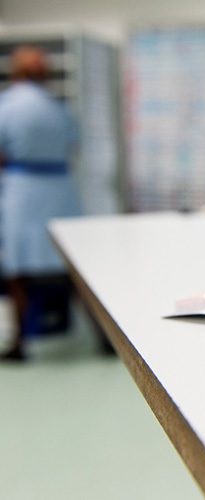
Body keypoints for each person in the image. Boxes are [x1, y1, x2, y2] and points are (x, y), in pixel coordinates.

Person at [0, 46, 82, 361]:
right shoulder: (58, 108)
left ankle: (19, 343)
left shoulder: (7, 106)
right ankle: (104, 339)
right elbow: (72, 145)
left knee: (18, 270)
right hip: (61, 190)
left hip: (23, 191)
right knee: (74, 269)